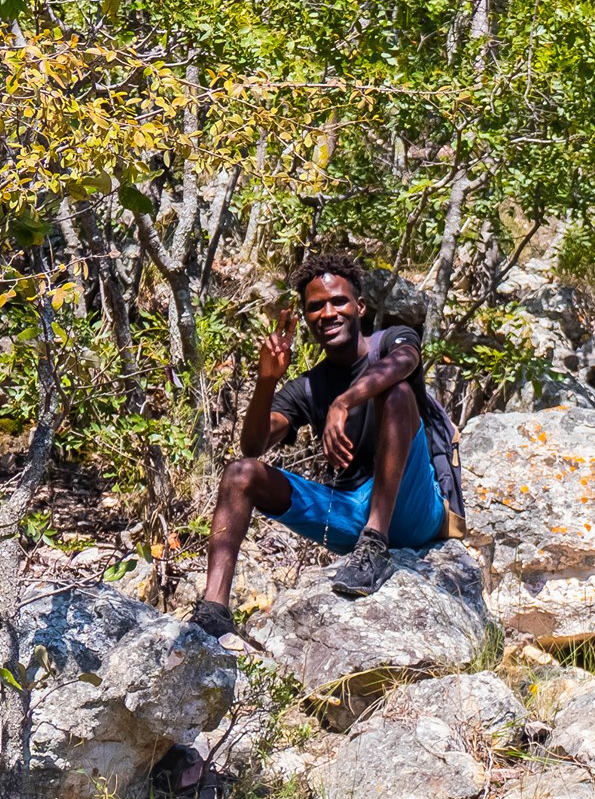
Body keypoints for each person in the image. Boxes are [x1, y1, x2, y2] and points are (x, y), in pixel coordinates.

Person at [191, 252, 457, 638]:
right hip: (347, 511)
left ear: (360, 307)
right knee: (239, 473)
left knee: (397, 393)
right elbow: (253, 446)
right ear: (305, 319)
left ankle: (375, 545)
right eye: (315, 307)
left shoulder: (391, 341)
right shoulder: (308, 387)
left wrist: (344, 402)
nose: (328, 313)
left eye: (339, 301)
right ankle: (214, 611)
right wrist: (266, 380)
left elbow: (406, 362)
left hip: (413, 507)